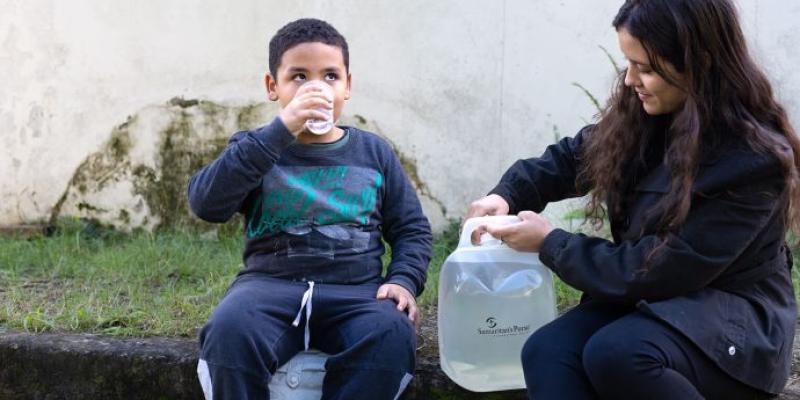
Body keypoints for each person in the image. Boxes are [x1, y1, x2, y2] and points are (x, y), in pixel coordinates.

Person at [465, 1, 798, 399]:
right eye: (628, 62)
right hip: (658, 304)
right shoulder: (644, 116)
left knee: (619, 352)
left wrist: (551, 244)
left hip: (736, 323)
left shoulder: (752, 161)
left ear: (700, 61)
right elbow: (573, 158)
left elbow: (665, 267)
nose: (629, 80)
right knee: (547, 350)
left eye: (646, 68)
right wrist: (507, 195)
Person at [188, 18, 432, 400]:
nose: (316, 88)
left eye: (331, 76)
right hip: (268, 288)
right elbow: (206, 204)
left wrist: (402, 280)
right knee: (229, 331)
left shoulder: (374, 152)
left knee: (390, 334)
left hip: (357, 294)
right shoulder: (255, 148)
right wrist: (278, 131)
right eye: (299, 77)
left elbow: (411, 229)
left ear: (348, 86)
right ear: (274, 87)